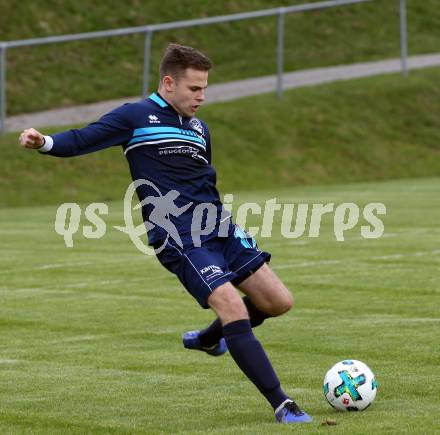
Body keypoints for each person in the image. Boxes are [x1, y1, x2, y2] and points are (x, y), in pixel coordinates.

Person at [19, 43, 312, 424]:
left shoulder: (198, 128)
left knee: (278, 301)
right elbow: (81, 139)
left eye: (205, 88)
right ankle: (282, 403)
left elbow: (202, 181)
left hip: (218, 227)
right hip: (178, 234)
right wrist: (44, 143)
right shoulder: (135, 116)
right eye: (194, 89)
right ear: (169, 83)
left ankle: (210, 338)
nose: (201, 97)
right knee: (232, 305)